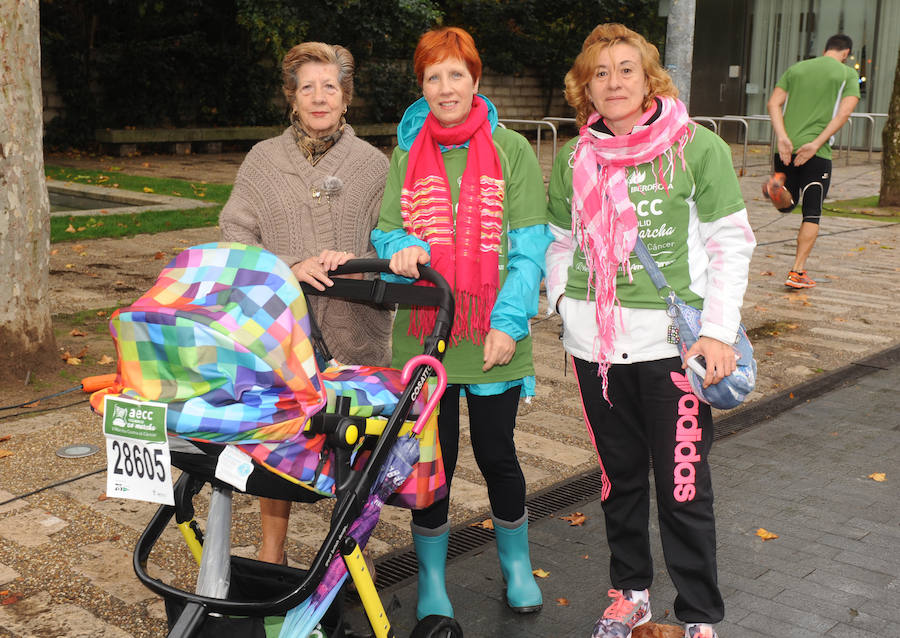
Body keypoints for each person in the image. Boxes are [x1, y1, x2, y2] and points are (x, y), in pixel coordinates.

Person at [545, 23, 756, 638]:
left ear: (649, 78)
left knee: (683, 486)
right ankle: (630, 592)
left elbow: (730, 243)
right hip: (596, 351)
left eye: (625, 69)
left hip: (675, 351)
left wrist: (716, 332)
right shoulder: (574, 157)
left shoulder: (697, 147)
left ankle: (698, 614)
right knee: (620, 482)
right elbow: (560, 241)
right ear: (585, 86)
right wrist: (564, 301)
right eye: (600, 72)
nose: (613, 82)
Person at [372, 26, 550, 621]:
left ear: (476, 79)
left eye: (456, 74)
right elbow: (386, 226)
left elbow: (529, 246)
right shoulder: (406, 149)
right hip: (426, 336)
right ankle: (431, 582)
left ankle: (517, 566)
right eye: (432, 76)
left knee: (498, 455)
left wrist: (508, 322)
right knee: (433, 462)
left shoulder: (512, 148)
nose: (445, 87)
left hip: (493, 334)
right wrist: (400, 246)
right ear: (420, 86)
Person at [219, 41, 392, 565]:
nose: (319, 97)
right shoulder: (263, 160)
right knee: (279, 443)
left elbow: (393, 241)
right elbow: (233, 236)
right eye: (307, 87)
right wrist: (289, 264)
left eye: (330, 87)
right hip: (280, 330)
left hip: (355, 330)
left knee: (356, 449)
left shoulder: (373, 166)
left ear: (346, 99)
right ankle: (273, 554)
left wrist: (357, 260)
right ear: (291, 98)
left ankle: (344, 558)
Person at [764, 34, 860, 289]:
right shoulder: (847, 74)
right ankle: (797, 271)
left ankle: (775, 186)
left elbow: (773, 103)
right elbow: (845, 111)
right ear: (846, 52)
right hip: (816, 153)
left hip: (786, 148)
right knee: (812, 212)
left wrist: (783, 137)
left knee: (787, 204)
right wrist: (817, 143)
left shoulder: (797, 68)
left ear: (825, 48)